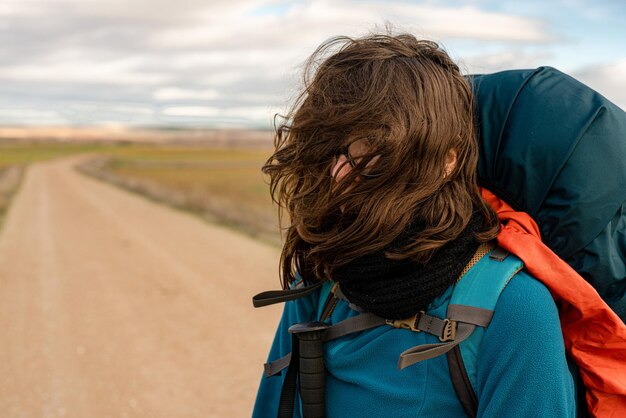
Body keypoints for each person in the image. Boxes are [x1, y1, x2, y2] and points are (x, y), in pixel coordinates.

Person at [253, 33, 575, 417]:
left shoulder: (512, 309)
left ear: (448, 160)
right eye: (332, 147)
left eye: (372, 148)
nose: (339, 173)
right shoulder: (322, 277)